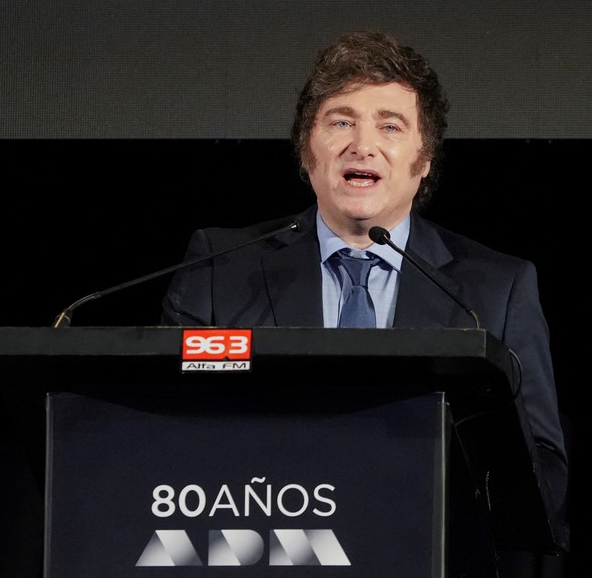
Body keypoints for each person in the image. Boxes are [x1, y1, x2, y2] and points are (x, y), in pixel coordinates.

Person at [161, 29, 568, 572]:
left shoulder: (495, 289)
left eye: (390, 125)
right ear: (307, 150)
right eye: (341, 121)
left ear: (424, 161)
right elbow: (168, 438)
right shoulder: (218, 269)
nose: (362, 144)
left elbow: (543, 470)